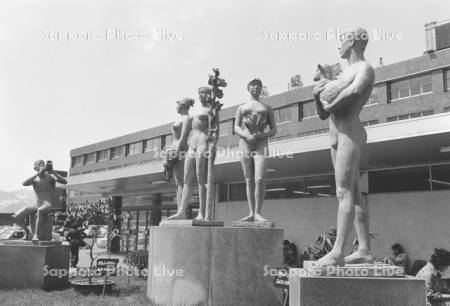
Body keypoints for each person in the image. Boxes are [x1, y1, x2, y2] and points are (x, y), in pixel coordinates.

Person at [313, 27, 375, 266]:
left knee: (343, 192)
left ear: (352, 41)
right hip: (335, 136)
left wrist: (328, 102)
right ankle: (364, 250)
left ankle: (337, 252)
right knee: (355, 194)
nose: (338, 44)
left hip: (350, 133)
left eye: (341, 40)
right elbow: (322, 113)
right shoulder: (341, 74)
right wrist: (317, 94)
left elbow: (353, 92)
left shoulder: (364, 68)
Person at [167, 87, 219, 220]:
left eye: (205, 94)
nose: (202, 96)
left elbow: (216, 129)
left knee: (201, 179)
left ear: (210, 95)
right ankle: (181, 212)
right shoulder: (193, 112)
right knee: (187, 179)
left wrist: (212, 146)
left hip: (203, 143)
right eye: (200, 94)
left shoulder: (212, 110)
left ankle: (202, 212)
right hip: (192, 145)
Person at [234, 78, 277, 222]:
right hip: (245, 143)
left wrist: (262, 135)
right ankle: (251, 212)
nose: (257, 88)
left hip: (261, 143)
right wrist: (246, 134)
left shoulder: (267, 107)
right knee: (248, 179)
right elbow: (236, 127)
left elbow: (274, 129)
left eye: (259, 86)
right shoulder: (241, 107)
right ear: (248, 87)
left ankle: (258, 212)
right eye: (254, 85)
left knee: (259, 178)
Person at [14, 160, 67, 241]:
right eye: (39, 164)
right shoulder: (35, 179)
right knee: (16, 216)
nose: (42, 164)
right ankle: (27, 232)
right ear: (35, 167)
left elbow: (64, 181)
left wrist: (53, 171)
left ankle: (36, 235)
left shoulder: (50, 176)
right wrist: (38, 173)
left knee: (40, 210)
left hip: (47, 204)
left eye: (43, 163)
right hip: (36, 204)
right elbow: (24, 183)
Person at [168, 98, 194, 209]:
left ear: (183, 105)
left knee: (182, 181)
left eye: (177, 104)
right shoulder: (181, 118)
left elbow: (183, 137)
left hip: (181, 150)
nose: (176, 106)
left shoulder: (187, 118)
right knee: (178, 182)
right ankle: (179, 209)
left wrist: (176, 152)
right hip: (175, 149)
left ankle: (181, 210)